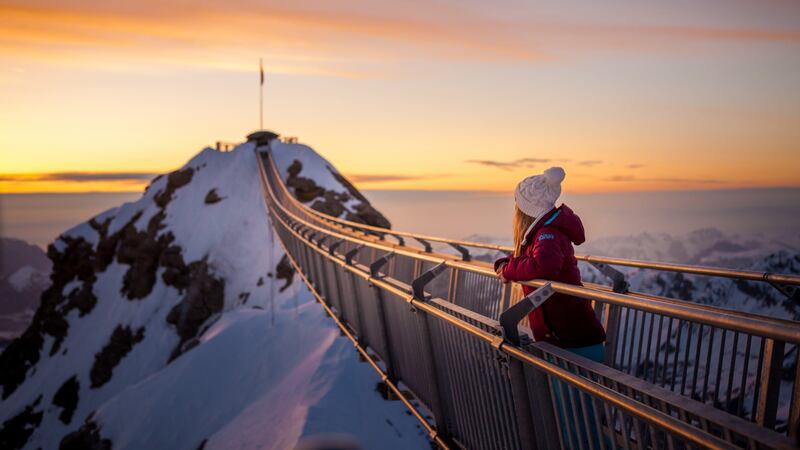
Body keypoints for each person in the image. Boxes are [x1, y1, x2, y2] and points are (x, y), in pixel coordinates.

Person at [494, 167, 607, 448]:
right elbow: (532, 257)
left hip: (574, 343)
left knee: (579, 426)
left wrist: (509, 269)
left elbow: (544, 265)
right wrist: (508, 262)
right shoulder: (545, 232)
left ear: (526, 209)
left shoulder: (548, 234)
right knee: (575, 422)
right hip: (568, 340)